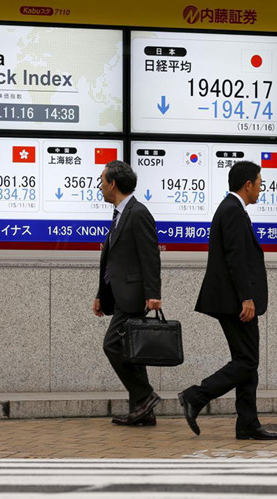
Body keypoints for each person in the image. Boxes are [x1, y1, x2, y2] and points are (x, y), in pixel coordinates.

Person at [178, 161, 277, 441]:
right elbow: (236, 258)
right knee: (247, 361)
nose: (261, 189)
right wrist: (246, 297)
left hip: (233, 300)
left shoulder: (232, 208)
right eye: (259, 183)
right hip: (235, 302)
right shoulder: (232, 210)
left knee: (246, 360)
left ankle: (248, 423)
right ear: (248, 184)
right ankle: (196, 396)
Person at [93, 160, 162, 426]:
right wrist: (101, 294)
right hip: (120, 294)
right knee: (133, 351)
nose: (100, 186)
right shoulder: (120, 214)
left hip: (134, 295)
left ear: (113, 183)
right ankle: (143, 413)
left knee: (112, 345)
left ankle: (146, 396)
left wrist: (153, 293)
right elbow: (113, 260)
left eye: (102, 181)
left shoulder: (138, 213)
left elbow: (150, 255)